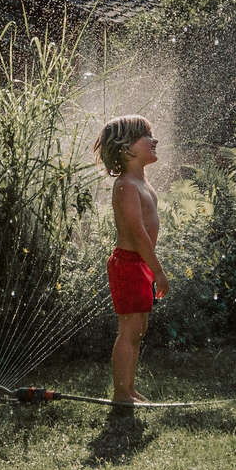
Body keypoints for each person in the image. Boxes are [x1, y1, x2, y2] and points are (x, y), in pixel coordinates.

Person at [93, 115, 169, 404]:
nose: (154, 140)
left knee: (138, 330)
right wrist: (158, 271)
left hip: (139, 265)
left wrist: (150, 269)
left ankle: (129, 389)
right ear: (127, 149)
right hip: (128, 264)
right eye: (146, 136)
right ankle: (121, 394)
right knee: (129, 330)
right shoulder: (126, 186)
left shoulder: (142, 183)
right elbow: (137, 234)